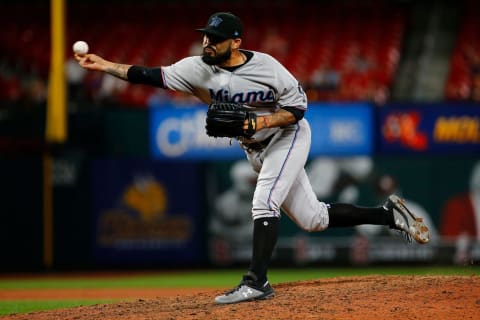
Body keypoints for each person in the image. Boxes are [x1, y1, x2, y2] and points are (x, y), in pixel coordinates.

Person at [75, 12, 430, 304]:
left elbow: (299, 108)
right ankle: (389, 214)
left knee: (264, 200)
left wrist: (261, 120)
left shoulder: (268, 68)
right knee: (314, 219)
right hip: (255, 150)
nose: (207, 42)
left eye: (215, 38)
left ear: (236, 43)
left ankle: (256, 281)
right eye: (205, 36)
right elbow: (147, 75)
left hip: (287, 136)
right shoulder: (195, 69)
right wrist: (104, 64)